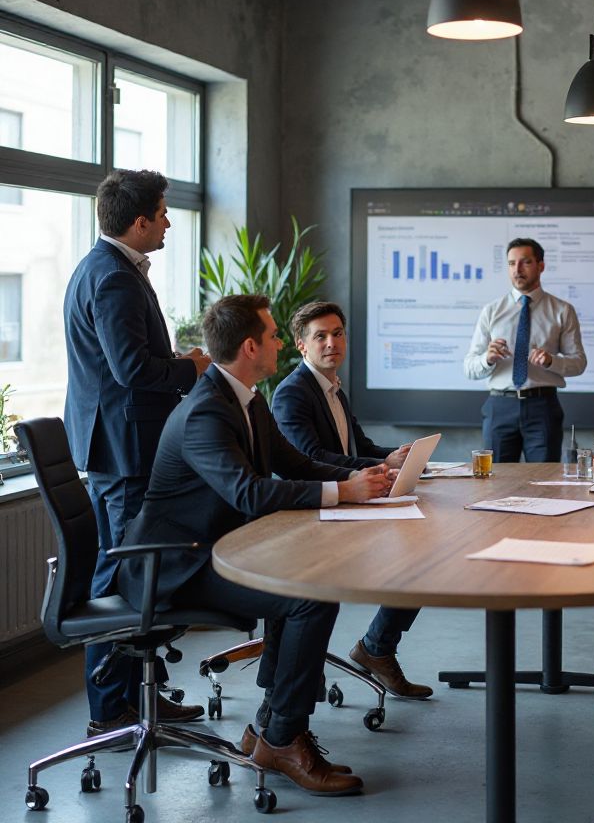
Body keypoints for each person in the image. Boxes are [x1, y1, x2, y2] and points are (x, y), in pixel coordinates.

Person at [118, 294, 393, 795]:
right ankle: (284, 737)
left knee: (309, 585)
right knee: (310, 596)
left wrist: (366, 480)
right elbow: (246, 491)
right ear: (250, 347)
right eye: (272, 337)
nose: (279, 344)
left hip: (214, 551)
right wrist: (344, 491)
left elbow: (297, 464)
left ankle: (270, 724)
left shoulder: (245, 398)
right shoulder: (205, 412)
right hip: (173, 567)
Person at [63, 168, 210, 734]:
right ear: (139, 220)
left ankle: (133, 697)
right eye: (165, 212)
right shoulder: (115, 278)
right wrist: (191, 368)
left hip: (116, 442)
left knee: (123, 569)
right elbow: (131, 371)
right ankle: (114, 710)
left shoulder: (104, 267)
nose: (171, 220)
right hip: (123, 447)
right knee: (123, 575)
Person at [272, 300, 431, 699]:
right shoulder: (293, 393)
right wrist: (374, 467)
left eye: (337, 334)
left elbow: (356, 445)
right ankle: (373, 649)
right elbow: (310, 460)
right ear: (301, 345)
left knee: (422, 555)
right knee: (414, 555)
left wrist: (390, 457)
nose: (331, 343)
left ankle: (377, 647)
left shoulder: (333, 389)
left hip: (346, 503)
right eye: (320, 336)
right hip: (315, 513)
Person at [463, 237, 587, 462]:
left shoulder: (562, 310)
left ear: (541, 266)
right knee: (495, 484)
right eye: (511, 263)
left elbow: (578, 363)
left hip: (542, 406)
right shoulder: (491, 311)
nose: (517, 270)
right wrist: (487, 360)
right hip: (500, 406)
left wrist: (551, 361)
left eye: (525, 262)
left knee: (544, 483)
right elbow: (469, 368)